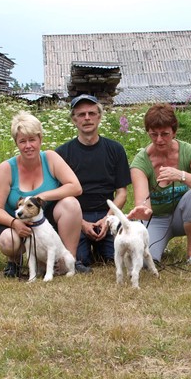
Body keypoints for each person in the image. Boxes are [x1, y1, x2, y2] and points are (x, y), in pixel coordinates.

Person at [0, 110, 89, 277]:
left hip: (43, 218)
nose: (28, 146)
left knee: (71, 204)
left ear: (40, 139)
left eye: (32, 140)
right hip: (12, 219)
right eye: (22, 141)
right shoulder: (6, 168)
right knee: (8, 241)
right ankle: (14, 262)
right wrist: (15, 223)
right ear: (16, 143)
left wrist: (43, 197)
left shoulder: (50, 158)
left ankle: (69, 260)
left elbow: (75, 187)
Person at [129, 103, 191, 269]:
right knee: (147, 263)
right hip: (157, 218)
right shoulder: (140, 162)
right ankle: (159, 245)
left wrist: (181, 176)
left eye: (165, 134)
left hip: (183, 215)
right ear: (148, 132)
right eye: (154, 134)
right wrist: (143, 211)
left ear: (174, 132)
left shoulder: (189, 151)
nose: (159, 140)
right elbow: (143, 203)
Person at [56, 94, 131, 267]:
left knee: (115, 257)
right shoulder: (62, 153)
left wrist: (108, 219)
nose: (87, 118)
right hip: (76, 215)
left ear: (99, 116)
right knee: (80, 260)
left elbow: (121, 193)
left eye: (91, 113)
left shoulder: (115, 149)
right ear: (74, 120)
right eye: (81, 114)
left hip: (107, 212)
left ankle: (101, 246)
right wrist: (81, 223)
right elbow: (59, 197)